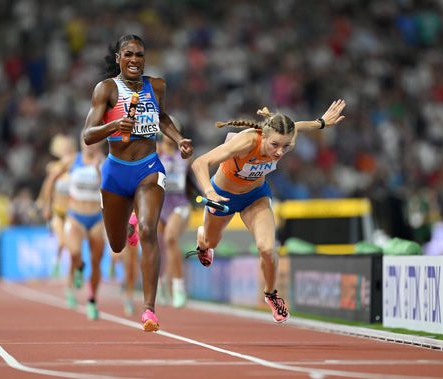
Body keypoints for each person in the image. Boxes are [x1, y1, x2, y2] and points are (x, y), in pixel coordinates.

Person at [188, 100, 346, 323]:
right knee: (211, 243)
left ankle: (271, 295)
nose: (279, 152)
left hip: (256, 197)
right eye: (274, 145)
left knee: (267, 248)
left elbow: (297, 126)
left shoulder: (284, 136)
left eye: (286, 146)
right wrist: (208, 191)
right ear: (264, 135)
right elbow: (200, 163)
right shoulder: (247, 141)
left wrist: (321, 123)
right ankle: (202, 239)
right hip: (222, 196)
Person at [82, 34, 193, 332]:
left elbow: (163, 118)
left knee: (149, 230)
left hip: (148, 169)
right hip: (116, 172)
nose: (134, 60)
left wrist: (179, 139)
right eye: (128, 54)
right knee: (117, 245)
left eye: (140, 55)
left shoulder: (156, 86)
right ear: (119, 57)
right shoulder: (106, 89)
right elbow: (88, 135)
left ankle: (149, 310)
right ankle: (126, 227)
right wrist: (114, 125)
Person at [43, 137, 106, 320]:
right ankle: (79, 267)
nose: (89, 144)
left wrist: (99, 171)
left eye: (93, 141)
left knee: (96, 261)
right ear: (81, 142)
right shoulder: (72, 160)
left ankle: (92, 300)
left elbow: (111, 188)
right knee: (74, 252)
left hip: (96, 218)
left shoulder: (104, 162)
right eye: (86, 141)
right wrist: (47, 204)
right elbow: (51, 179)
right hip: (75, 216)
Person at [156, 120, 192, 309]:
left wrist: (209, 193)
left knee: (170, 239)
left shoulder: (184, 153)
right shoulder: (155, 152)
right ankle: (162, 283)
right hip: (160, 206)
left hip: (180, 205)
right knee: (159, 248)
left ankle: (179, 286)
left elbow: (195, 175)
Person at [37, 134, 77, 277]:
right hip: (57, 211)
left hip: (72, 212)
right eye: (63, 149)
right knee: (61, 242)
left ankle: (75, 270)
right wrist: (45, 205)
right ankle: (57, 262)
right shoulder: (54, 168)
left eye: (68, 149)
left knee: (73, 245)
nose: (66, 152)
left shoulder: (76, 168)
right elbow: (47, 186)